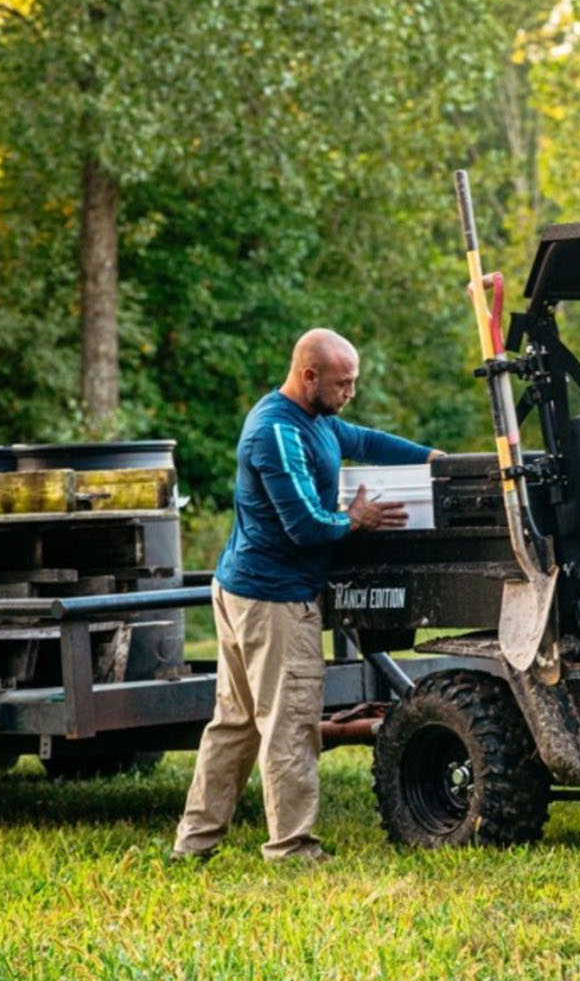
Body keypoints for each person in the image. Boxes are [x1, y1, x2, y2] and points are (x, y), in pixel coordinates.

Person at [172, 328, 439, 863]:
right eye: (343, 383)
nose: (350, 394)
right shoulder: (274, 433)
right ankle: (292, 848)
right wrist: (355, 519)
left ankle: (195, 844)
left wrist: (437, 459)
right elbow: (305, 525)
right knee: (289, 725)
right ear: (308, 375)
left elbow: (365, 441)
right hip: (271, 599)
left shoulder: (318, 422)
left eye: (354, 383)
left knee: (236, 724)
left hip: (245, 590)